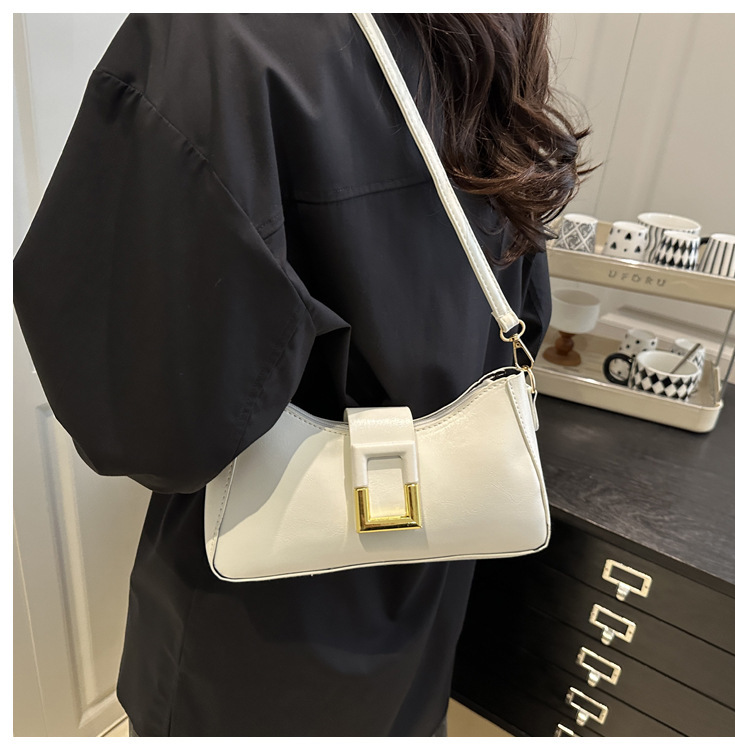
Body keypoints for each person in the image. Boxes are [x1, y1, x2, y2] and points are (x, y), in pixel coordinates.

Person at [13, 13, 592, 737]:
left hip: (249, 635)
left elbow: (145, 425)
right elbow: (523, 320)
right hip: (427, 589)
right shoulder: (491, 34)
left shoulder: (218, 37)